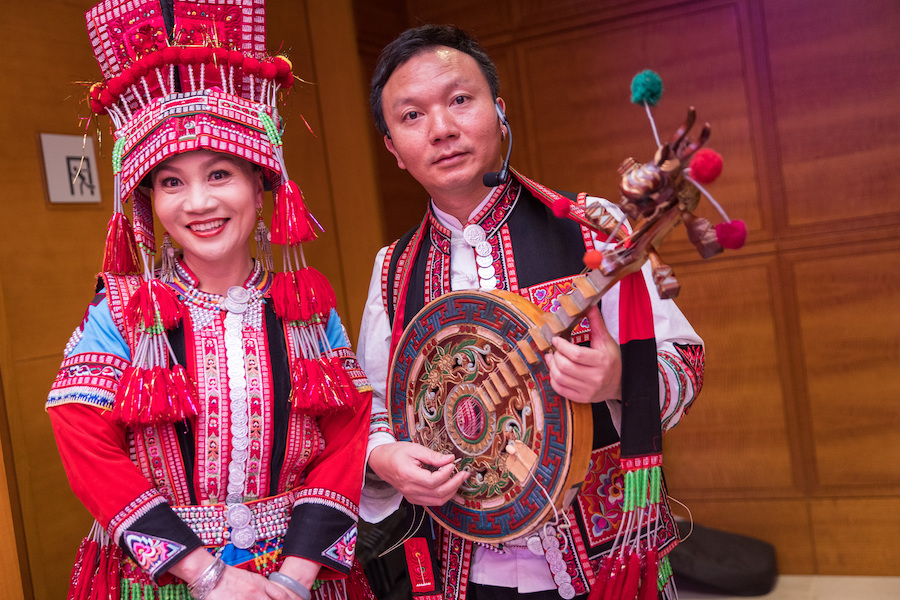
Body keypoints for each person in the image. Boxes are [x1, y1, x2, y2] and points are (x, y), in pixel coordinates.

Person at [357, 25, 705, 599]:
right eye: (411, 116)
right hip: (461, 571)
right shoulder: (393, 268)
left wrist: (620, 379)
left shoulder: (593, 229)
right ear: (393, 149)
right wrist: (385, 456)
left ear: (498, 111)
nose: (442, 129)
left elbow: (685, 362)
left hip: (605, 558)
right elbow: (375, 410)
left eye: (459, 100)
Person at [46, 2, 373, 599]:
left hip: (294, 576)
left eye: (219, 173)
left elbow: (347, 430)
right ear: (149, 202)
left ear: (259, 182)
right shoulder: (123, 311)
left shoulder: (303, 305)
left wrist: (296, 576)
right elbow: (81, 433)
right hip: (169, 578)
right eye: (171, 181)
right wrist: (207, 574)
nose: (197, 202)